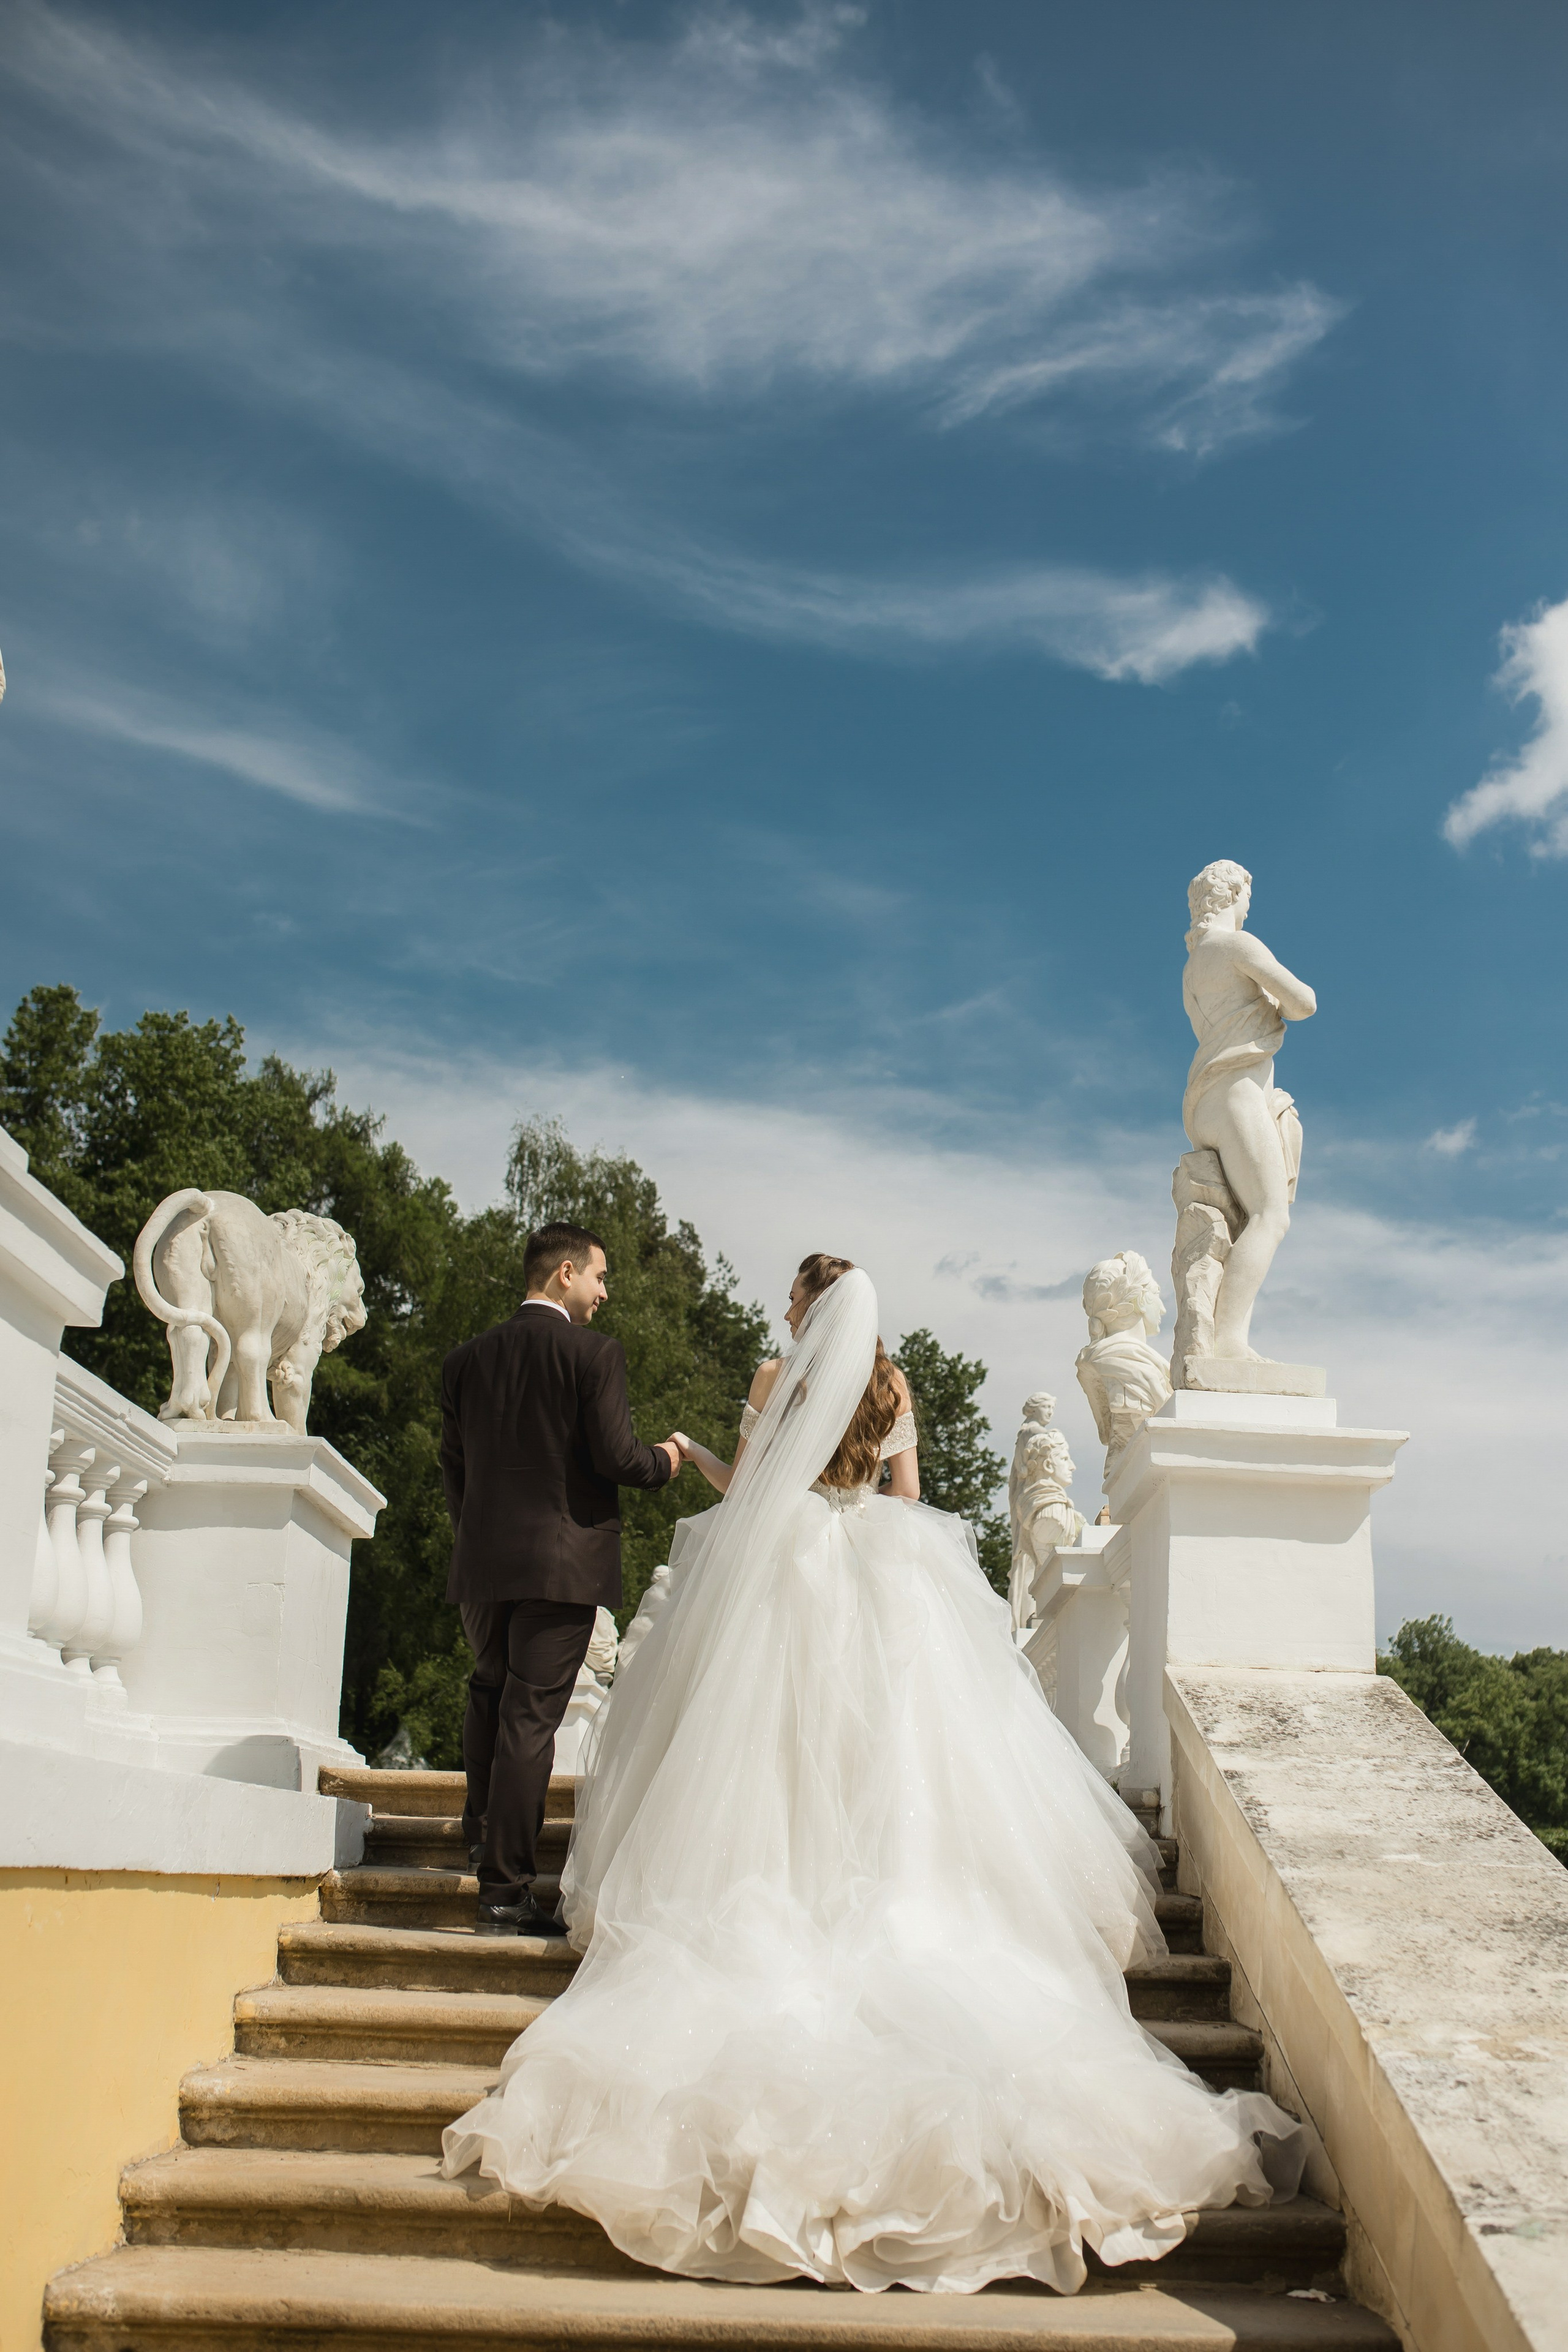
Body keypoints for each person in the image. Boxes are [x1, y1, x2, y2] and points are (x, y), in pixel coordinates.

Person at [442, 1254, 1303, 2291]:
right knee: (898, 1765)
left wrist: (708, 1456)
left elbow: (757, 1490)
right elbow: (906, 1498)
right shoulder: (893, 1389)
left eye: (796, 1296)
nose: (788, 1310)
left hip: (789, 1575)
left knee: (764, 1753)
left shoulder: (775, 1377)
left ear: (815, 1304)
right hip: (883, 1579)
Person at [439, 1220, 684, 1938]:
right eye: (600, 1277)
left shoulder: (464, 1361)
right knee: (529, 1719)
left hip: (481, 1563)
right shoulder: (593, 1355)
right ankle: (505, 1893)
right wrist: (668, 1458)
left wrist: (477, 1536)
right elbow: (617, 1458)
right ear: (564, 1274)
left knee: (489, 1694)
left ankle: (483, 1836)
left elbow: (455, 1470)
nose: (605, 1293)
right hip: (562, 1564)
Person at [1181, 860, 1317, 1362]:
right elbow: (1304, 1002)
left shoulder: (1192, 968)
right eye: (1247, 900)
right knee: (1269, 1216)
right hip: (1237, 1092)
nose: (1247, 909)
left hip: (1206, 1103)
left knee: (1241, 1223)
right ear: (1233, 895)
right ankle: (1227, 1341)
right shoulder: (1238, 945)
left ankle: (1215, 1333)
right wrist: (1277, 1005)